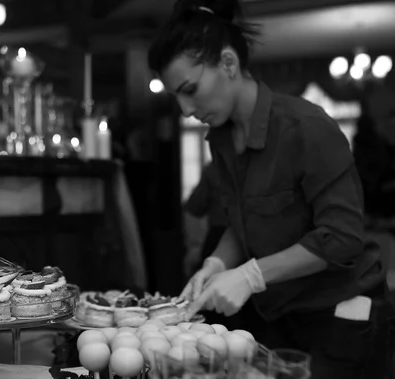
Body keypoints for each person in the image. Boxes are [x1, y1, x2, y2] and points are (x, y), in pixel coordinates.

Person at [147, 1, 392, 378]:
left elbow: (343, 237)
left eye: (190, 89)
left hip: (343, 311)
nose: (184, 109)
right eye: (177, 96)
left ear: (228, 64)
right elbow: (243, 221)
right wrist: (217, 263)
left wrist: (251, 276)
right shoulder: (222, 139)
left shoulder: (306, 127)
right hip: (281, 313)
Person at [183, 163, 227, 277]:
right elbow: (194, 207)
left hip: (220, 236)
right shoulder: (214, 169)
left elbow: (194, 208)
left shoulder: (213, 169)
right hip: (219, 238)